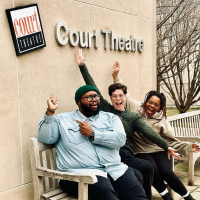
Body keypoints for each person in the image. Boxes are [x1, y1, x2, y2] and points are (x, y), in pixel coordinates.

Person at [75, 49, 180, 200]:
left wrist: (165, 146)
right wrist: (82, 66)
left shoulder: (132, 116)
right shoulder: (106, 109)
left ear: (125, 97)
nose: (118, 99)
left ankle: (146, 197)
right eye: (114, 96)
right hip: (110, 153)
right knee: (132, 175)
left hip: (126, 154)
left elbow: (148, 131)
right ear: (110, 99)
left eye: (121, 96)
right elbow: (93, 87)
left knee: (147, 167)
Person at [37, 87, 149, 200]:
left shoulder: (111, 118)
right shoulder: (63, 120)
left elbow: (120, 139)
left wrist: (93, 134)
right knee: (106, 192)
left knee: (138, 195)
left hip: (114, 169)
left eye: (96, 96)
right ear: (78, 102)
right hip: (79, 175)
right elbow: (45, 138)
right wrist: (50, 112)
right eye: (89, 97)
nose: (94, 99)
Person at [112, 61, 200, 200]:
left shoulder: (162, 121)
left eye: (156, 105)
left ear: (160, 108)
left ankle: (189, 198)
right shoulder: (136, 108)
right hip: (141, 150)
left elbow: (171, 141)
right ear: (146, 101)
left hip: (159, 149)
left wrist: (188, 146)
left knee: (167, 172)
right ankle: (166, 197)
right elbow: (125, 95)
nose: (152, 106)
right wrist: (116, 75)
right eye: (150, 102)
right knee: (152, 169)